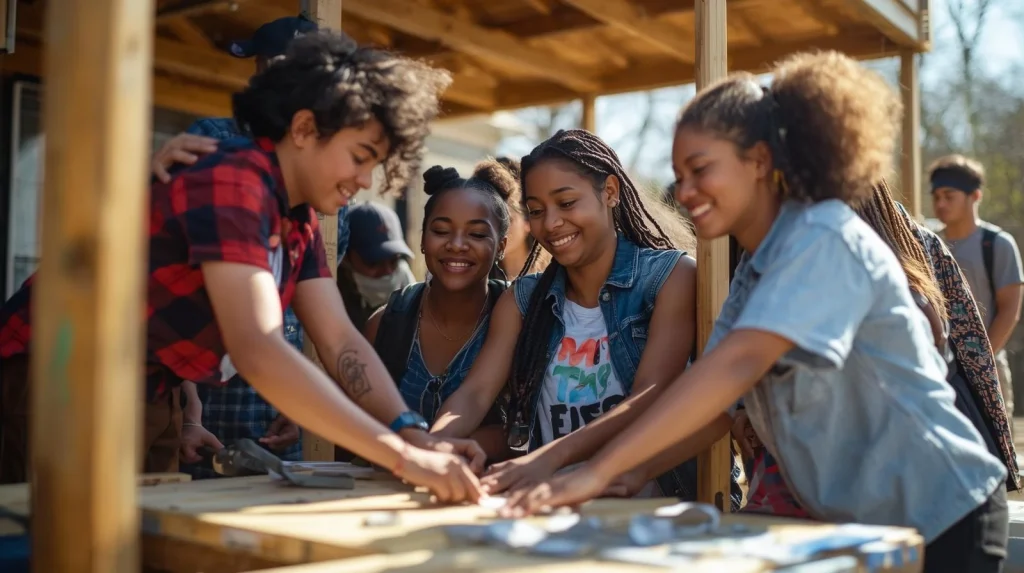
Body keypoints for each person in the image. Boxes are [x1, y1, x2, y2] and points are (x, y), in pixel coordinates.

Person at [503, 52, 1008, 572]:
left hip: (949, 515)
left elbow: (738, 364)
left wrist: (593, 468)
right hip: (872, 526)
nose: (686, 191)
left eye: (701, 170)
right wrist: (627, 473)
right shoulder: (752, 272)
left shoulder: (822, 237)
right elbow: (719, 407)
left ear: (761, 161)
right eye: (679, 175)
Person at [0, 30, 487, 503]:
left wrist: (411, 432)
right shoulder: (232, 179)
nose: (364, 180)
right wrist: (401, 459)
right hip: (60, 368)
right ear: (302, 129)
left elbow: (340, 339)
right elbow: (257, 347)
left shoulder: (299, 218)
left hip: (149, 385)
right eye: (360, 157)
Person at [429, 129, 741, 506]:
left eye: (566, 202)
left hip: (659, 509)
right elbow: (476, 393)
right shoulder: (523, 300)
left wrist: (548, 458)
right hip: (553, 510)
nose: (552, 223)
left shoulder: (669, 278)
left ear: (609, 192)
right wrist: (436, 445)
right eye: (537, 211)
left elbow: (649, 395)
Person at [738, 180, 1020, 517]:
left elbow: (964, 342)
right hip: (817, 467)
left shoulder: (898, 250)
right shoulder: (768, 253)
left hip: (914, 477)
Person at [151, 15, 355, 476]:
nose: (359, 181)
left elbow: (319, 314)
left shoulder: (310, 198)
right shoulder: (219, 151)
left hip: (272, 385)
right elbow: (180, 284)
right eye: (265, 68)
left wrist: (301, 393)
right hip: (199, 386)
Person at [365, 160, 519, 461]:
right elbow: (359, 424)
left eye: (476, 234)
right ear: (423, 239)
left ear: (500, 246)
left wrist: (447, 449)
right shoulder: (386, 324)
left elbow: (523, 429)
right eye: (441, 230)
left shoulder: (519, 320)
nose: (457, 245)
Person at [930, 155, 1023, 433]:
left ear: (975, 196)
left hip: (988, 372)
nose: (940, 204)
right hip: (940, 373)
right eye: (936, 196)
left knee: (994, 455)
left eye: (949, 195)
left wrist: (979, 364)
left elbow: (1010, 310)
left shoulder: (996, 244)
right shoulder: (928, 243)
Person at [338, 203, 416, 333]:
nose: (388, 271)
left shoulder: (411, 296)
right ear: (346, 258)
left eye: (394, 260)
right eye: (373, 262)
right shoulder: (333, 304)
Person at [491, 156, 549, 279]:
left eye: (506, 220)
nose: (495, 230)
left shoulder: (554, 277)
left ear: (528, 222)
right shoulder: (484, 280)